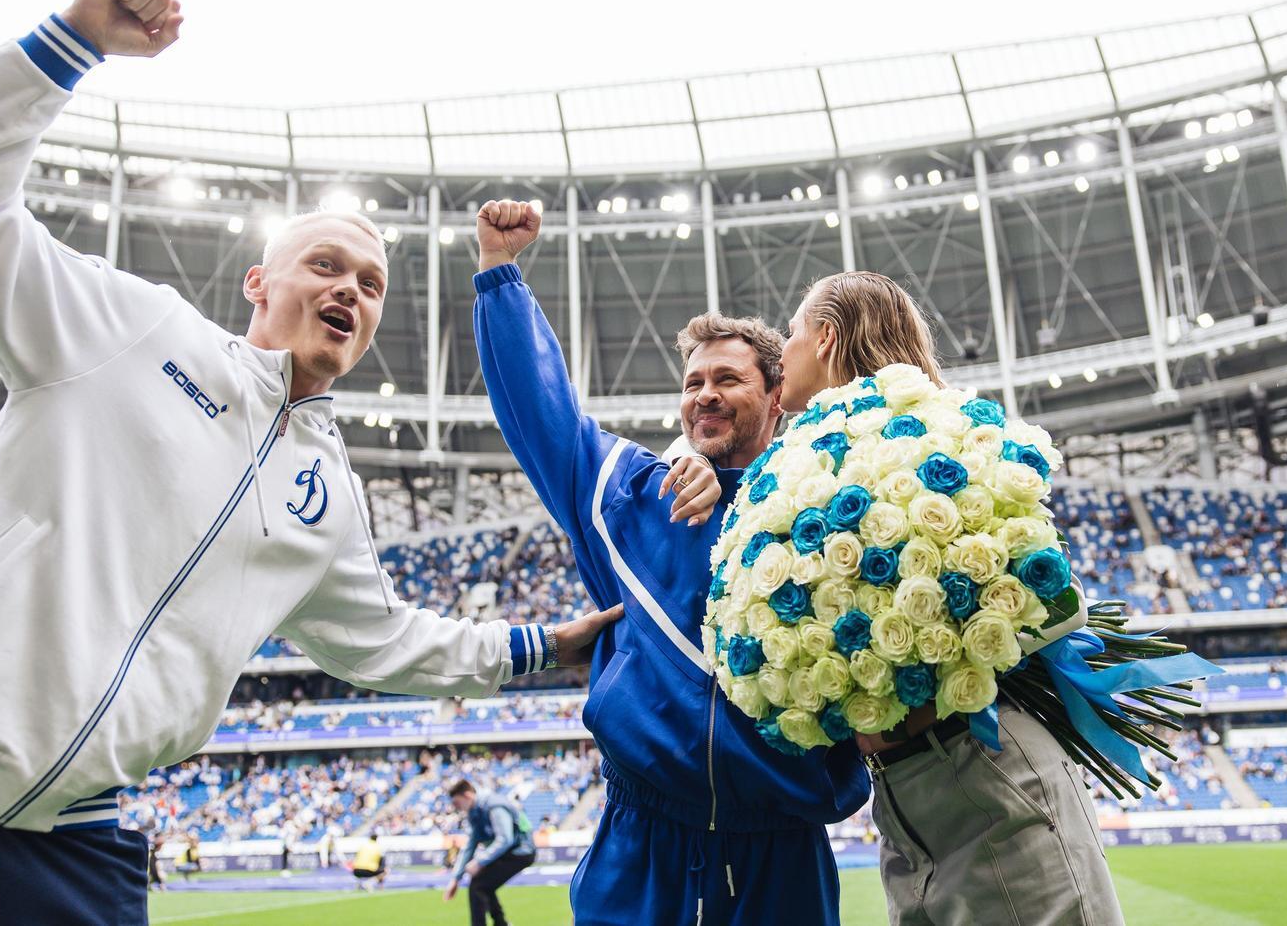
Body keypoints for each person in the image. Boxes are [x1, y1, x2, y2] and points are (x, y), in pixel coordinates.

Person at [0, 0, 620, 926]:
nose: (351, 288)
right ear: (259, 285)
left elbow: (383, 638)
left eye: (372, 283)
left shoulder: (327, 492)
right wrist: (73, 40)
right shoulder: (133, 332)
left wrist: (534, 646)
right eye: (325, 265)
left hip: (74, 837)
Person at [472, 200, 871, 926]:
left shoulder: (826, 503)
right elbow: (541, 411)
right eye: (692, 384)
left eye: (727, 379)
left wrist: (728, 482)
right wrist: (500, 274)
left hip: (781, 850)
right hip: (639, 845)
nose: (706, 395)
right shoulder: (626, 497)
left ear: (775, 394)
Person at [778, 271, 1125, 926]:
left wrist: (932, 647)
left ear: (824, 339)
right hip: (902, 800)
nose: (782, 352)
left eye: (791, 334)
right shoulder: (806, 466)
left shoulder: (937, 433)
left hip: (986, 768)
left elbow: (1059, 602)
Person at [442, 779, 537, 926]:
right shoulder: (475, 812)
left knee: (478, 885)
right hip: (509, 851)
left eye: (457, 803)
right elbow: (471, 845)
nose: (457, 808)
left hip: (522, 851)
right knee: (483, 884)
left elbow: (505, 839)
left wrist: (480, 861)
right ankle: (501, 923)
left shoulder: (494, 805)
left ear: (468, 795)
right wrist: (456, 878)